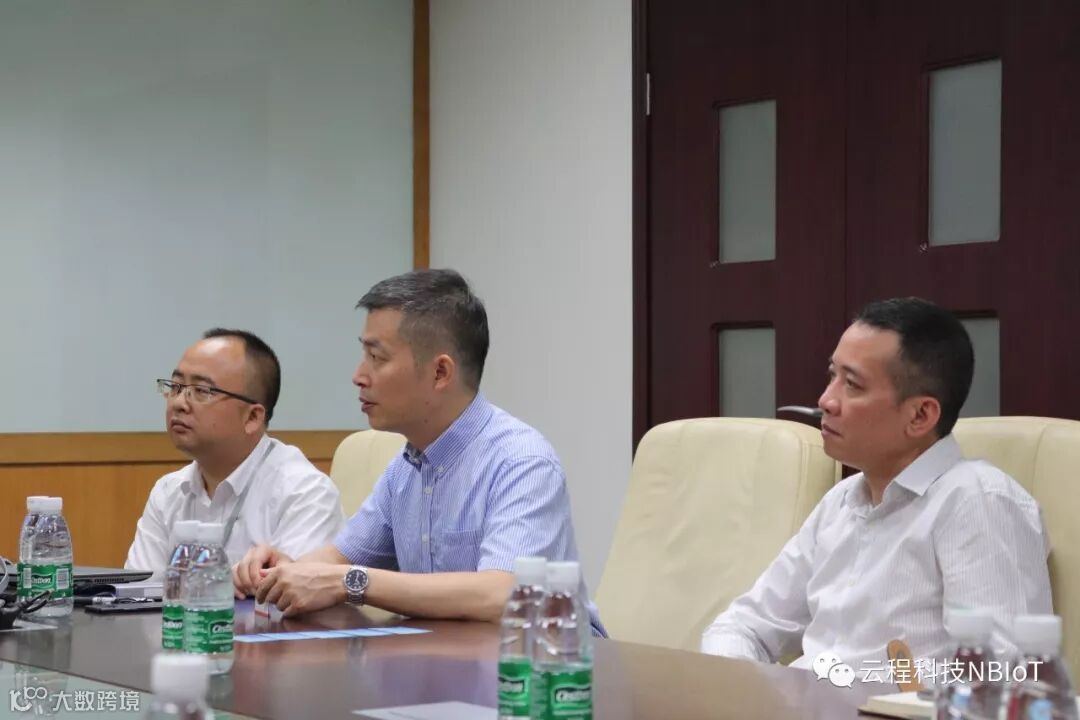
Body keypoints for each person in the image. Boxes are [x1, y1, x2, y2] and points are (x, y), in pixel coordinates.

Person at [233, 270, 600, 630]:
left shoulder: (522, 461)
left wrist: (350, 582)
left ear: (440, 373)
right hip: (452, 658)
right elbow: (335, 561)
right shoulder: (406, 467)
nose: (358, 376)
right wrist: (280, 572)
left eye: (377, 358)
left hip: (554, 663)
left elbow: (504, 595)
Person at [701, 297, 1051, 671]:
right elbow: (744, 625)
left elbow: (999, 677)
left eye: (852, 384)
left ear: (920, 415)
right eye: (832, 376)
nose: (826, 400)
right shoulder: (842, 501)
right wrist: (737, 686)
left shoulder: (976, 501)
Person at [126, 329, 344, 577]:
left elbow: (294, 593)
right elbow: (138, 591)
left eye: (201, 391)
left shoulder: (304, 493)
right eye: (175, 386)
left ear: (252, 417)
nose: (178, 403)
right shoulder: (168, 492)